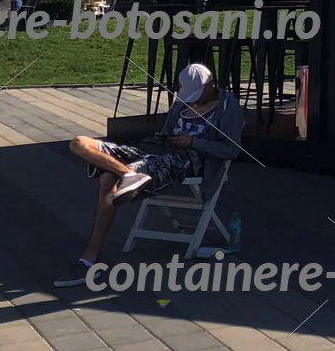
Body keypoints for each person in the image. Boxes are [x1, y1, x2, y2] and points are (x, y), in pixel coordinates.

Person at [56, 62, 243, 286]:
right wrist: (165, 138)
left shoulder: (227, 106)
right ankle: (129, 174)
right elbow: (166, 132)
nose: (192, 101)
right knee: (79, 143)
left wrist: (193, 142)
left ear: (211, 85)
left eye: (197, 95)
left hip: (189, 160)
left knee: (107, 178)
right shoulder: (182, 103)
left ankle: (89, 258)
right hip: (157, 152)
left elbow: (231, 150)